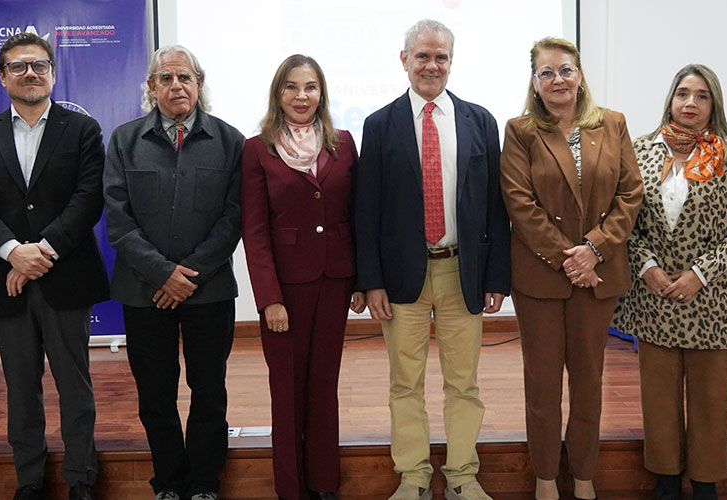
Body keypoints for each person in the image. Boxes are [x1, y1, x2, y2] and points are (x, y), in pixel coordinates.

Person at [353, 19, 511, 500]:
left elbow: (494, 206)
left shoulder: (479, 120)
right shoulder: (379, 124)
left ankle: (463, 475)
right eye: (422, 55)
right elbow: (366, 209)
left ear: (451, 63)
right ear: (404, 60)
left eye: (441, 56)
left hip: (463, 271)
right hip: (403, 278)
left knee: (464, 384)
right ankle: (414, 475)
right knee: (406, 384)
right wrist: (371, 280)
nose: (431, 65)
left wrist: (497, 276)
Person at [0, 32, 109, 500]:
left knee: (74, 385)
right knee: (20, 388)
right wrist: (11, 252)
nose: (30, 73)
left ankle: (81, 478)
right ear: (2, 77)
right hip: (6, 279)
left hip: (67, 275)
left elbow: (88, 199)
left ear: (53, 73)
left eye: (39, 64)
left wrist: (40, 251)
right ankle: (29, 479)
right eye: (18, 66)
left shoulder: (82, 129)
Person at [499, 36, 643, 500]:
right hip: (542, 279)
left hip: (597, 277)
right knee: (542, 388)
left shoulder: (614, 124)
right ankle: (544, 480)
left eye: (565, 70)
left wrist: (594, 250)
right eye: (547, 73)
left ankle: (583, 477)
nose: (557, 80)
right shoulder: (520, 130)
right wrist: (570, 256)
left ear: (580, 74)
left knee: (588, 384)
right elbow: (520, 203)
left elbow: (630, 195)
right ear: (535, 82)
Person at [103, 45, 245, 500]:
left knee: (209, 391)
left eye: (184, 77)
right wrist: (163, 274)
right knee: (155, 395)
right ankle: (168, 480)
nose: (176, 86)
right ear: (151, 87)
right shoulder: (125, 140)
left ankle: (204, 481)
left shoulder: (229, 140)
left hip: (209, 291)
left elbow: (234, 217)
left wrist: (188, 274)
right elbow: (118, 221)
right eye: (165, 78)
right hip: (144, 291)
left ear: (199, 84)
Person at [612, 64, 727, 500]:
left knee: (710, 398)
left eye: (701, 96)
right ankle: (666, 479)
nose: (690, 104)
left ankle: (707, 481)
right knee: (658, 395)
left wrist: (700, 274)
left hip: (712, 295)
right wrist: (648, 268)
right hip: (654, 292)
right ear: (670, 100)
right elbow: (623, 223)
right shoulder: (640, 151)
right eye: (682, 94)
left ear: (713, 103)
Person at [240, 54, 367, 500]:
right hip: (285, 291)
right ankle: (291, 489)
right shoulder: (257, 148)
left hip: (335, 281)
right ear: (278, 94)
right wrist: (268, 298)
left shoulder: (344, 143)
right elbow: (254, 232)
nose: (301, 96)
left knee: (323, 387)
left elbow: (357, 215)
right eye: (291, 87)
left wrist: (360, 281)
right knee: (288, 390)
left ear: (322, 93)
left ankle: (325, 485)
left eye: (310, 87)